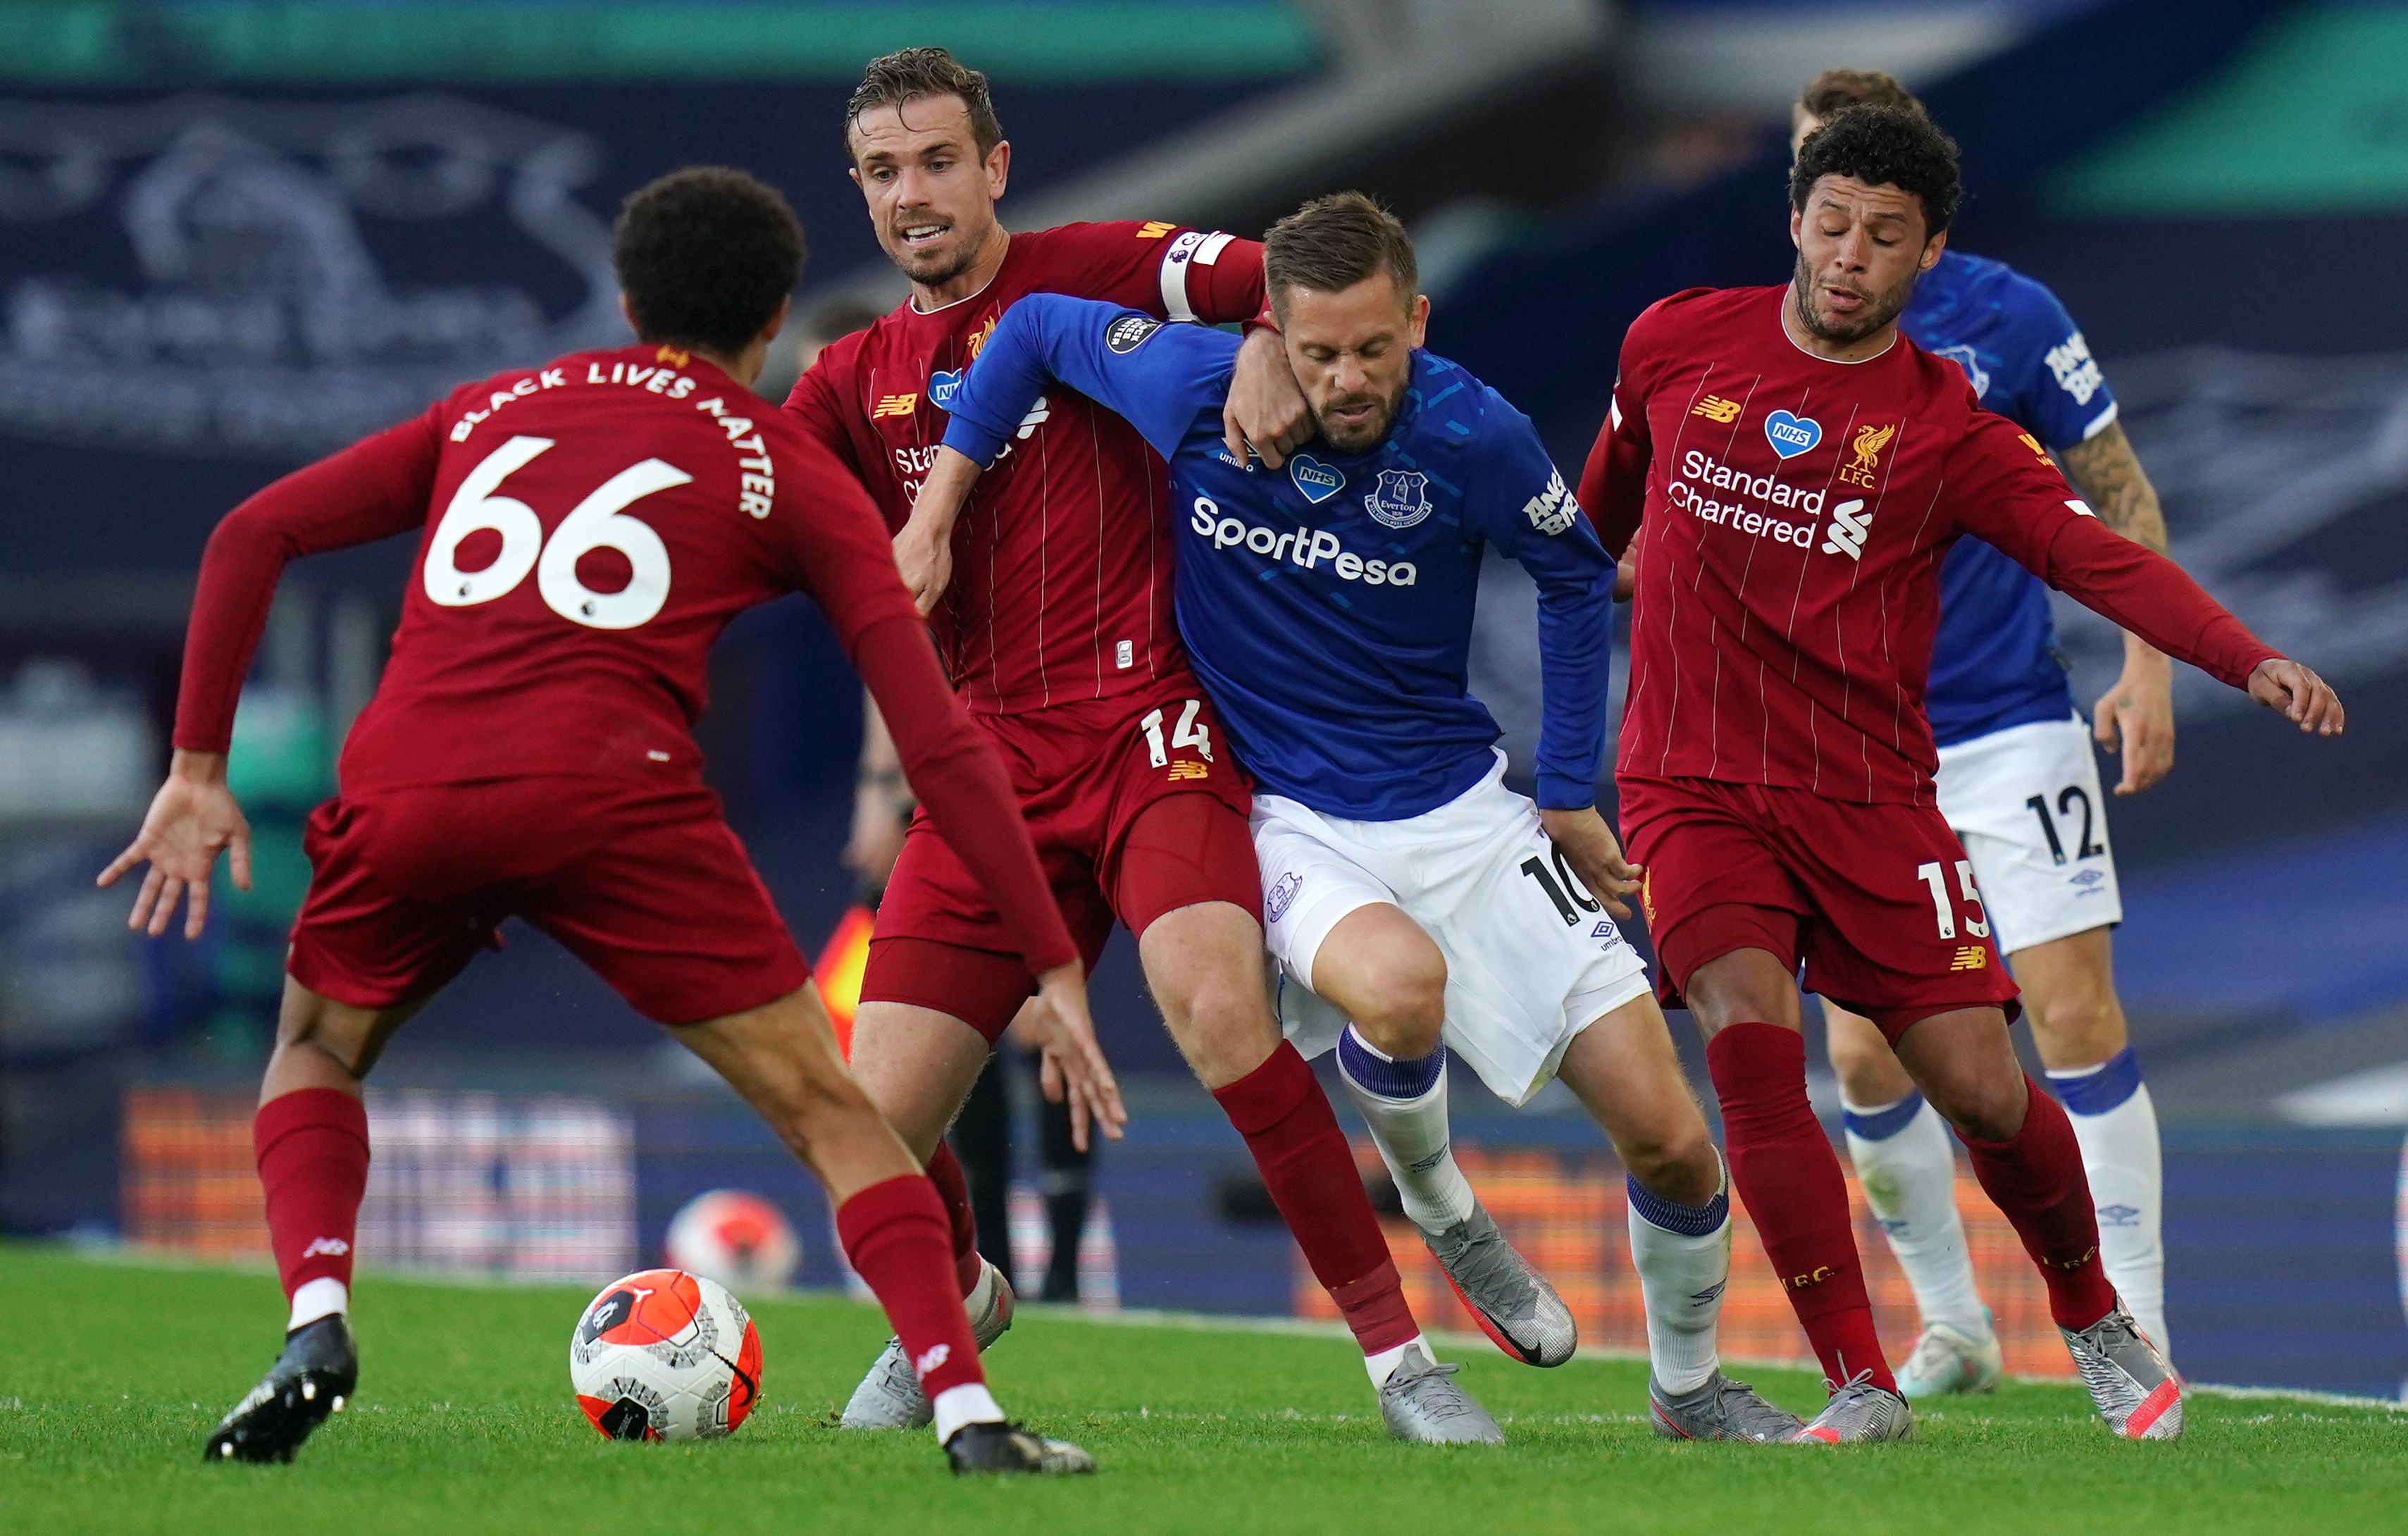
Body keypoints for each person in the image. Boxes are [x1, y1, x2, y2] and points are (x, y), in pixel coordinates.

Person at [99, 166, 1107, 1477]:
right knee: (833, 1114)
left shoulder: (489, 406)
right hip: (607, 795)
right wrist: (1052, 954)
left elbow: (250, 533)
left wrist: (196, 767)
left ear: (629, 300)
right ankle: (970, 1418)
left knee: (315, 1052)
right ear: (776, 317)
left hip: (408, 777)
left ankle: (316, 1325)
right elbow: (939, 740)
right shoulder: (785, 465)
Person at [900, 192, 1806, 1442]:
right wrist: (938, 504)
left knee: (1670, 1141)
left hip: (1462, 812)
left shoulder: (1470, 430)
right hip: (1286, 814)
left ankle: (1690, 1388)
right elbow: (1035, 327)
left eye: (1373, 349)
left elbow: (1569, 572)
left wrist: (1561, 789)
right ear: (1271, 329)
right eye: (1315, 350)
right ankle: (1443, 1210)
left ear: (1417, 322)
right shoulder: (1193, 387)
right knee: (1396, 989)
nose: (1345, 378)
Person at [1582, 106, 2345, 1444]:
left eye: (1883, 237)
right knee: (1752, 1052)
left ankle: (2097, 1321)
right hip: (1691, 780)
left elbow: (2098, 556)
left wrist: (2240, 658)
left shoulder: (1949, 427)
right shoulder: (1672, 339)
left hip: (1870, 795)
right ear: (1793, 221)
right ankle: (1857, 1382)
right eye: (1831, 225)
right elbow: (1598, 508)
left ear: (1927, 256)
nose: (1848, 256)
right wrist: (1593, 587)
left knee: (1986, 1090)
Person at [782, 48, 1493, 1442]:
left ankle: (1399, 1360)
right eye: (883, 172)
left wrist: (1250, 350)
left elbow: (1285, 285)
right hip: (983, 767)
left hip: (1148, 726)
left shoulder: (1103, 264)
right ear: (858, 192)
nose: (913, 194)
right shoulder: (847, 379)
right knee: (862, 1128)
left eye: (938, 161)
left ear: (995, 166)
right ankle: (964, 1290)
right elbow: (760, 520)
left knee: (1218, 1014)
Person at [1789, 69, 2184, 1396]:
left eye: (1865, 199)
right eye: (1812, 192)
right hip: (1844, 753)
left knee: (2070, 1015)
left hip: (2008, 723)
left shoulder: (2007, 316)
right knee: (1859, 1047)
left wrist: (2148, 667)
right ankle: (1954, 1326)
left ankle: (2135, 1329)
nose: (1836, 233)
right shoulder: (1754, 343)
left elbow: (2116, 497)